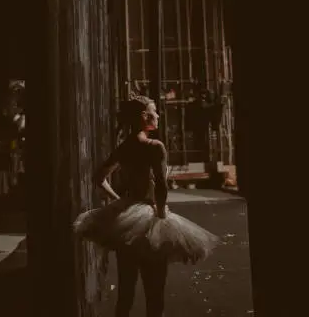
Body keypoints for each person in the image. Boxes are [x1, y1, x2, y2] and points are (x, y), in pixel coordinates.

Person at [74, 94, 219, 317]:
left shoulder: (124, 147)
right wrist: (160, 216)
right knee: (154, 292)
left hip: (126, 215)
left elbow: (98, 177)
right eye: (154, 111)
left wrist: (117, 201)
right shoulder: (155, 146)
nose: (158, 115)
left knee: (126, 291)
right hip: (150, 214)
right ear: (144, 117)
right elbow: (161, 187)